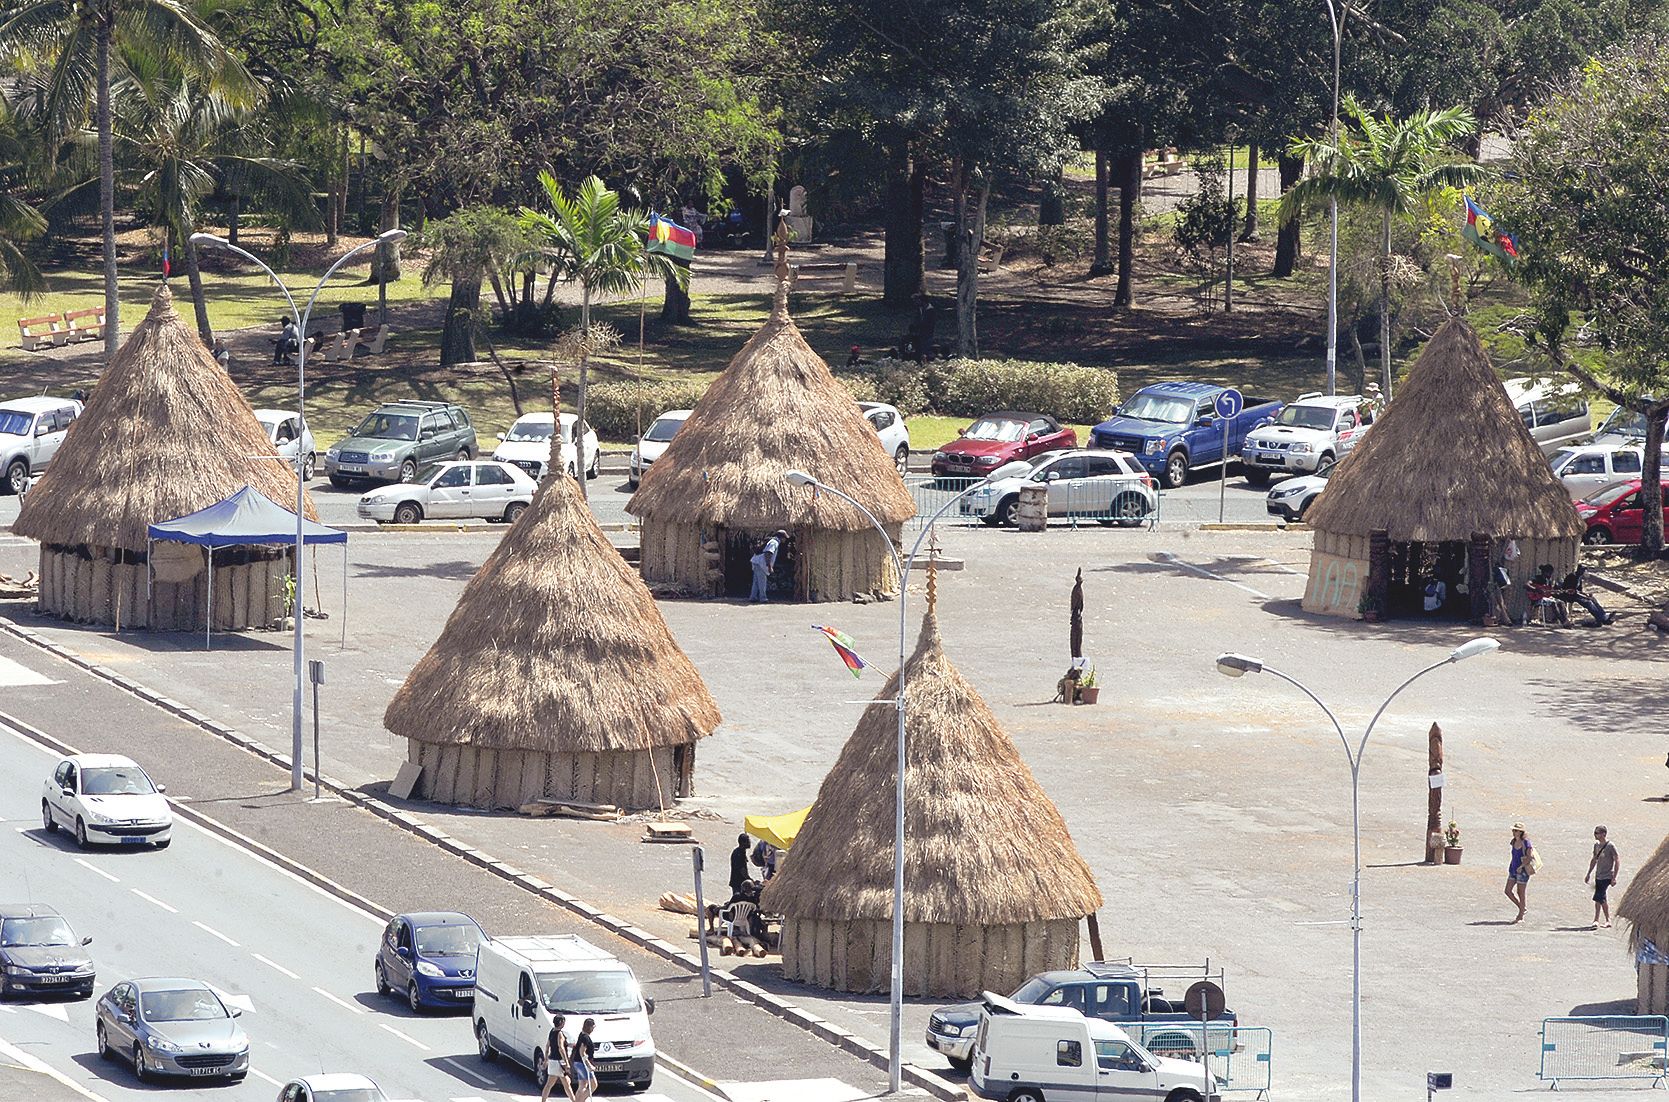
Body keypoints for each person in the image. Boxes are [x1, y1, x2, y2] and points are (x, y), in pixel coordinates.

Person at [1586, 826, 1621, 929]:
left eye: (1597, 833)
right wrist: (1588, 873)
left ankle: (1596, 920)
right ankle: (1607, 920)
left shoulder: (1610, 846)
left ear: (1604, 834)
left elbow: (1617, 860)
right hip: (1598, 875)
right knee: (1602, 898)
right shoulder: (1596, 846)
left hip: (1607, 876)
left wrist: (1614, 877)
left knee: (1599, 897)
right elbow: (1594, 860)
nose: (1595, 835)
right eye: (1595, 833)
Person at [539, 1013, 574, 1102]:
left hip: (552, 1061)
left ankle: (543, 1100)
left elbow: (547, 1046)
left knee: (550, 1084)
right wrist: (566, 1062)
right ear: (561, 1022)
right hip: (559, 1062)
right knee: (566, 1084)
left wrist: (546, 1059)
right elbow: (561, 1048)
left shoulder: (552, 1031)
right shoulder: (560, 1034)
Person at [1505, 823, 1535, 923]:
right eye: (1513, 830)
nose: (1514, 832)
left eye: (1516, 831)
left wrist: (1521, 866)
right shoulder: (1513, 842)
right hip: (1513, 869)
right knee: (1507, 891)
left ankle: (1520, 915)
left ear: (1521, 832)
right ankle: (1522, 908)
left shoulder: (1526, 842)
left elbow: (1529, 857)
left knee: (1520, 892)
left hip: (1522, 871)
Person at [748, 530, 786, 603]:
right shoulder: (774, 543)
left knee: (756, 581)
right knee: (762, 581)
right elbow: (768, 553)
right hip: (761, 563)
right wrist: (769, 566)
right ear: (781, 538)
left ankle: (753, 597)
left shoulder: (771, 541)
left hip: (756, 561)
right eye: (784, 538)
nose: (785, 540)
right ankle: (763, 598)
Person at [570, 1018, 597, 1102]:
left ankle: (578, 1100)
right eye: (593, 1027)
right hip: (582, 1064)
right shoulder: (585, 1037)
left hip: (578, 1063)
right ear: (589, 1027)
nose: (593, 1029)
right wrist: (589, 1065)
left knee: (582, 1085)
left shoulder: (581, 1035)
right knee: (593, 1084)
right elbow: (582, 1052)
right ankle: (580, 1100)